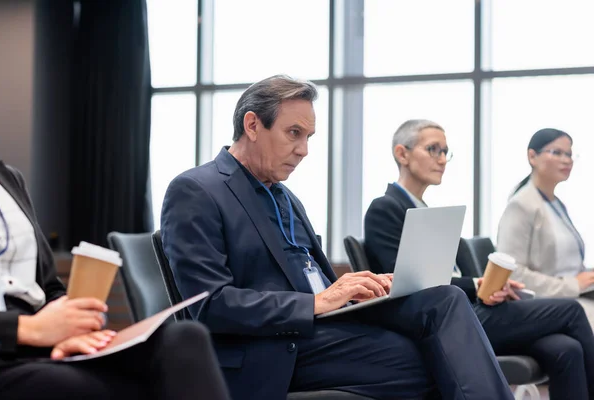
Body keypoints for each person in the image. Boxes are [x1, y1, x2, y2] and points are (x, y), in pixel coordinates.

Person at [161, 75, 516, 400]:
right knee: (434, 357)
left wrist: (356, 288)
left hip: (324, 327)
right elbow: (210, 306)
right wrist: (315, 303)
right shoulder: (196, 190)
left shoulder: (285, 197)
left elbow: (315, 279)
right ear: (252, 125)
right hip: (272, 346)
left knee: (447, 298)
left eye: (308, 137)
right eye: (293, 133)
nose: (304, 150)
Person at [364, 119, 594, 400]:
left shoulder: (429, 212)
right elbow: (405, 280)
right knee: (571, 310)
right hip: (449, 317)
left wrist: (494, 288)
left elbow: (465, 275)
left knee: (566, 349)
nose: (441, 159)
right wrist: (477, 284)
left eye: (444, 151)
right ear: (402, 154)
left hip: (473, 308)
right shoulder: (385, 208)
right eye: (433, 149)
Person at [0, 160, 231, 400]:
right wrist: (26, 329)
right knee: (118, 386)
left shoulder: (8, 178)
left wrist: (74, 324)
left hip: (43, 344)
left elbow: (48, 285)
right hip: (6, 351)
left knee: (184, 339)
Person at [497, 128, 594, 327]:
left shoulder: (556, 204)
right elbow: (513, 274)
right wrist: (572, 285)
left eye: (569, 154)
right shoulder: (521, 205)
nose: (567, 160)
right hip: (548, 304)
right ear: (532, 156)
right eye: (557, 153)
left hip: (574, 297)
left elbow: (567, 265)